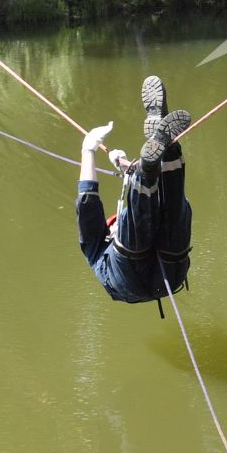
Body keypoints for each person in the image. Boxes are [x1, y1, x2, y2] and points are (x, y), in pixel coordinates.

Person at [76, 76, 193, 307]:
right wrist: (88, 152)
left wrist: (96, 153)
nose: (117, 224)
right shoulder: (102, 247)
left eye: (116, 224)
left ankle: (155, 162)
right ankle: (162, 154)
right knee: (172, 210)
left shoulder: (97, 251)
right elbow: (87, 200)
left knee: (152, 218)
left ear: (110, 231)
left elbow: (88, 206)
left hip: (145, 273)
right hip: (160, 271)